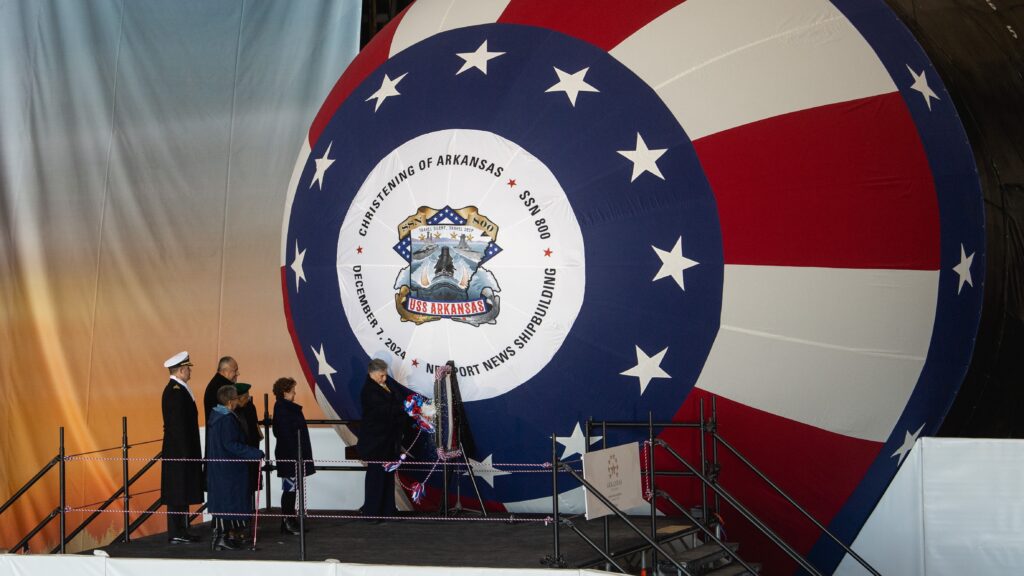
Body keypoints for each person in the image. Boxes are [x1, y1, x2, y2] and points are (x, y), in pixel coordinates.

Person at [206, 385, 264, 551]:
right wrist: (255, 453)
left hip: (221, 467)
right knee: (229, 503)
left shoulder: (216, 415)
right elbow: (231, 444)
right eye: (237, 399)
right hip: (230, 469)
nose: (239, 402)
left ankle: (222, 538)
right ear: (231, 402)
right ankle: (222, 539)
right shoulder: (227, 419)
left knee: (224, 503)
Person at [355, 358, 413, 520]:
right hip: (376, 443)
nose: (384, 378)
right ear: (371, 373)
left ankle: (388, 509)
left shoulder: (384, 386)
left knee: (388, 476)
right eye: (381, 375)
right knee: (376, 477)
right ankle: (372, 512)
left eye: (385, 375)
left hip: (387, 441)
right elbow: (385, 410)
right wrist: (405, 408)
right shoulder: (369, 391)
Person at [160, 351, 204, 544]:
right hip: (179, 451)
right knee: (177, 491)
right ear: (181, 370)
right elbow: (177, 426)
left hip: (182, 450)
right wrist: (185, 453)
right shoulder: (175, 392)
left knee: (182, 490)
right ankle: (176, 531)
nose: (190, 372)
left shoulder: (179, 389)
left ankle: (182, 530)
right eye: (187, 368)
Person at [272, 377, 314, 535]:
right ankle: (288, 521)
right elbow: (284, 433)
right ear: (285, 392)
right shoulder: (283, 408)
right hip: (290, 456)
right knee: (290, 489)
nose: (295, 393)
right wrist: (295, 453)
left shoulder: (284, 407)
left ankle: (289, 520)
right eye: (292, 390)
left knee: (292, 489)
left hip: (292, 455)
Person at [233, 382, 263, 516]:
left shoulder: (250, 407)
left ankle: (249, 514)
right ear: (238, 398)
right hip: (242, 453)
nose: (248, 398)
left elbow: (254, 427)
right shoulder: (234, 412)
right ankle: (244, 517)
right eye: (246, 396)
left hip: (252, 450)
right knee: (242, 488)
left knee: (251, 484)